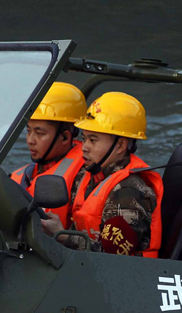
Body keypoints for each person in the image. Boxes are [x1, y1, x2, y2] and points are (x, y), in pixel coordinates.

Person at [40, 92, 163, 257]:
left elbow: (113, 258)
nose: (84, 147)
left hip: (122, 277)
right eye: (84, 139)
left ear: (120, 145)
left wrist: (63, 236)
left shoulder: (128, 190)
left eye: (93, 140)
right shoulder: (88, 175)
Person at [10, 82, 87, 228]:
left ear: (65, 137)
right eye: (28, 131)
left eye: (39, 133)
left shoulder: (84, 176)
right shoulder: (28, 172)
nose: (30, 140)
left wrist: (62, 236)